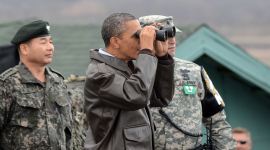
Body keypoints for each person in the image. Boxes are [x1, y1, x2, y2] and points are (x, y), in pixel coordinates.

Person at [139, 15, 237, 150]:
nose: (172, 41)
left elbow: (217, 121)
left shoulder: (193, 70)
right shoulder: (130, 70)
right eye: (164, 35)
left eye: (173, 34)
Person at [84, 13, 175, 150]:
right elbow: (137, 97)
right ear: (115, 42)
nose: (141, 40)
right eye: (137, 36)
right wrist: (146, 52)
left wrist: (162, 57)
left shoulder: (125, 66)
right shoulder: (100, 74)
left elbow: (161, 98)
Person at [0, 20, 73, 149]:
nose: (50, 47)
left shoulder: (58, 82)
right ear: (24, 48)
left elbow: (67, 132)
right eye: (43, 42)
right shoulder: (7, 84)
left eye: (50, 42)